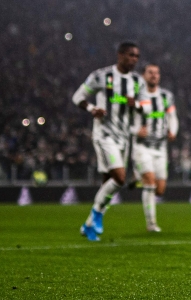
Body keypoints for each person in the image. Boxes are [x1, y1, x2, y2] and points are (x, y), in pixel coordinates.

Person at [71, 41, 143, 241]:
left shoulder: (138, 82)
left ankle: (88, 226)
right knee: (120, 178)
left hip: (124, 138)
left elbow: (147, 107)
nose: (134, 59)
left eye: (137, 56)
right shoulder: (101, 76)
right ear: (120, 55)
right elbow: (78, 96)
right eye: (131, 55)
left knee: (107, 184)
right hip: (104, 135)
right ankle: (96, 215)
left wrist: (136, 104)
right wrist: (92, 109)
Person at [132, 64, 178, 233]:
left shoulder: (166, 96)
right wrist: (136, 131)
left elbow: (172, 117)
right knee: (150, 184)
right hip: (142, 146)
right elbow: (125, 120)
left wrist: (173, 131)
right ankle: (151, 223)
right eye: (150, 72)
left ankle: (138, 175)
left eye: (157, 73)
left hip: (160, 148)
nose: (154, 75)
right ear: (144, 75)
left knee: (160, 190)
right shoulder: (136, 97)